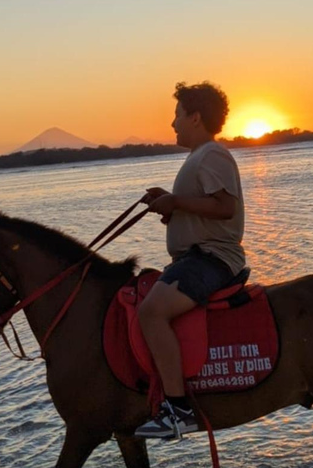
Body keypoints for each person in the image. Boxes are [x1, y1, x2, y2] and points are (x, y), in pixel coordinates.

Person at [134, 82, 246, 439]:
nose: (172, 124)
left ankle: (179, 410)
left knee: (151, 311)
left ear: (195, 117)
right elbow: (204, 208)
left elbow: (225, 208)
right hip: (196, 256)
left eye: (177, 115)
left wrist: (176, 203)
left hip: (211, 258)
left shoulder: (212, 154)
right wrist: (169, 203)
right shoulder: (199, 156)